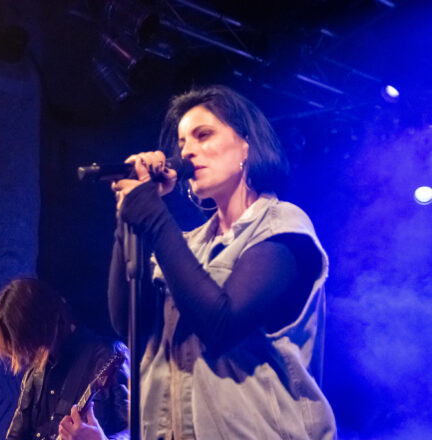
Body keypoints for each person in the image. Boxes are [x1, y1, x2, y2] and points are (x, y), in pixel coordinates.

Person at [109, 85, 337, 439]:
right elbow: (129, 323)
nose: (187, 153)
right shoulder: (187, 245)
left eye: (203, 135)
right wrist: (129, 222)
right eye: (183, 143)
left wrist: (154, 218)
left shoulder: (282, 226)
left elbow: (221, 325)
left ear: (246, 144)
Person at [0, 277, 130, 440]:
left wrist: (100, 439)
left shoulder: (109, 355)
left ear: (42, 326)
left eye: (29, 345)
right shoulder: (35, 374)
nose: (27, 357)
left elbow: (138, 431)